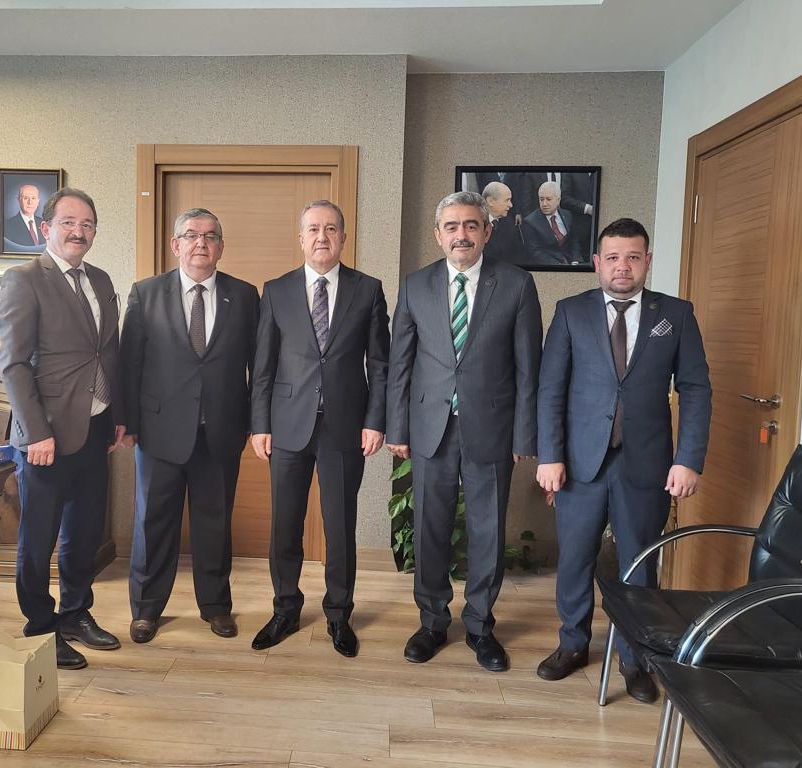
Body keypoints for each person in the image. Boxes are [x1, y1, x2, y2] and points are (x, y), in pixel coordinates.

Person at [535, 217, 711, 703]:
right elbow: (550, 389)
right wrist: (549, 456)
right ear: (597, 262)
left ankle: (636, 659)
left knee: (638, 565)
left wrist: (688, 459)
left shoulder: (675, 315)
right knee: (575, 558)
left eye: (633, 257)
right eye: (612, 257)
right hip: (580, 463)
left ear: (647, 261)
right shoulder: (570, 312)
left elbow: (695, 389)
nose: (622, 267)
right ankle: (572, 644)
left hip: (646, 464)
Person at [386, 190, 542, 672]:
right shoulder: (415, 285)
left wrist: (524, 435)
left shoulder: (516, 285)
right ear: (438, 235)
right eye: (452, 226)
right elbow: (400, 365)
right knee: (429, 528)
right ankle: (432, 622)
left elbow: (528, 368)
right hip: (429, 427)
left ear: (487, 232)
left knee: (487, 530)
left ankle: (479, 626)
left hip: (491, 427)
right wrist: (397, 428)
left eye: (471, 225)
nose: (462, 234)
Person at [249, 199, 389, 658]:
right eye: (313, 229)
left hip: (345, 427)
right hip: (286, 425)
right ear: (301, 238)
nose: (321, 237)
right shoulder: (276, 291)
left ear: (343, 238)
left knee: (340, 525)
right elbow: (263, 365)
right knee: (284, 524)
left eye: (330, 229)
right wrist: (259, 424)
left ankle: (339, 614)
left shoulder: (368, 290)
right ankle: (285, 609)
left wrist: (375, 420)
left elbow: (380, 365)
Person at [0, 187, 126, 670]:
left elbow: (107, 353)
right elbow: (13, 365)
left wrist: (117, 415)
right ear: (46, 227)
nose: (79, 231)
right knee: (38, 536)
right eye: (69, 222)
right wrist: (36, 432)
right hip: (45, 435)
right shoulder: (24, 279)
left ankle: (75, 613)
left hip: (94, 428)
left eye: (87, 224)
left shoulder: (100, 279)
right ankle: (40, 626)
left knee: (84, 530)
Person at [120, 208, 259, 644]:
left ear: (221, 247)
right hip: (159, 431)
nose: (201, 243)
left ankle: (216, 606)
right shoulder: (146, 293)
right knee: (152, 523)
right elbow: (129, 364)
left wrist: (256, 423)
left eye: (210, 236)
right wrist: (128, 422)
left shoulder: (245, 295)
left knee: (214, 524)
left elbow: (259, 366)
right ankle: (146, 609)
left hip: (221, 431)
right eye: (192, 235)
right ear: (175, 244)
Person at [520, 181, 583, 265]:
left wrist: (575, 260)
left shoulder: (567, 215)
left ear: (558, 200)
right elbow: (536, 253)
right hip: (549, 265)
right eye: (541, 199)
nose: (544, 204)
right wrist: (557, 266)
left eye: (549, 199)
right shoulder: (530, 222)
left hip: (572, 262)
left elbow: (574, 241)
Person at [481, 181, 527, 264]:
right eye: (507, 200)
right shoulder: (475, 225)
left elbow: (519, 255)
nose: (511, 205)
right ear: (490, 201)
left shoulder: (509, 223)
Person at [3, 184, 46, 250]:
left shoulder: (44, 223)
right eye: (26, 198)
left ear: (38, 201)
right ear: (19, 200)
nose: (30, 202)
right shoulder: (7, 226)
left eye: (33, 198)